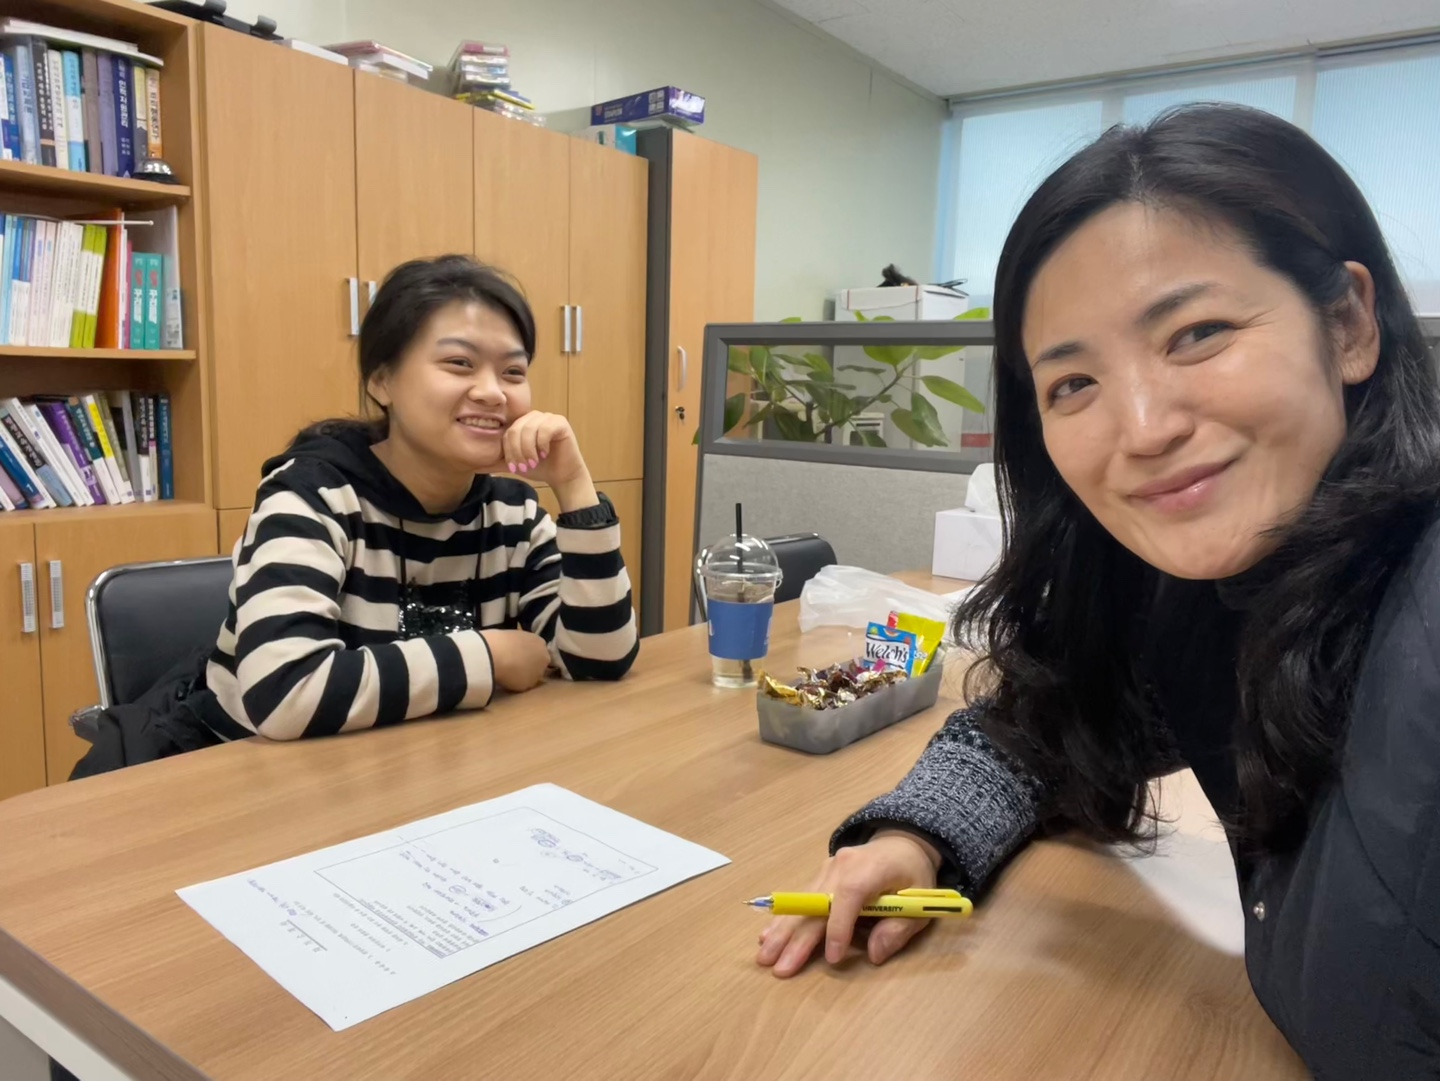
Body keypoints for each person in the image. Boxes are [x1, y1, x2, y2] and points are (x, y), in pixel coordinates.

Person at [756, 104, 1440, 1076]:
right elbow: (1047, 730)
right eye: (1073, 384)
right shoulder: (1221, 603)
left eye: (1197, 333)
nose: (1144, 427)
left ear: (1348, 325)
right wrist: (915, 834)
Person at [196, 255, 639, 742]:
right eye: (459, 363)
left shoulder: (512, 512)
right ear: (381, 380)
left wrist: (574, 486)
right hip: (247, 769)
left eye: (513, 372)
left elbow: (600, 659)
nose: (492, 392)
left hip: (423, 759)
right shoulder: (312, 497)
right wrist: (490, 657)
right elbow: (286, 694)